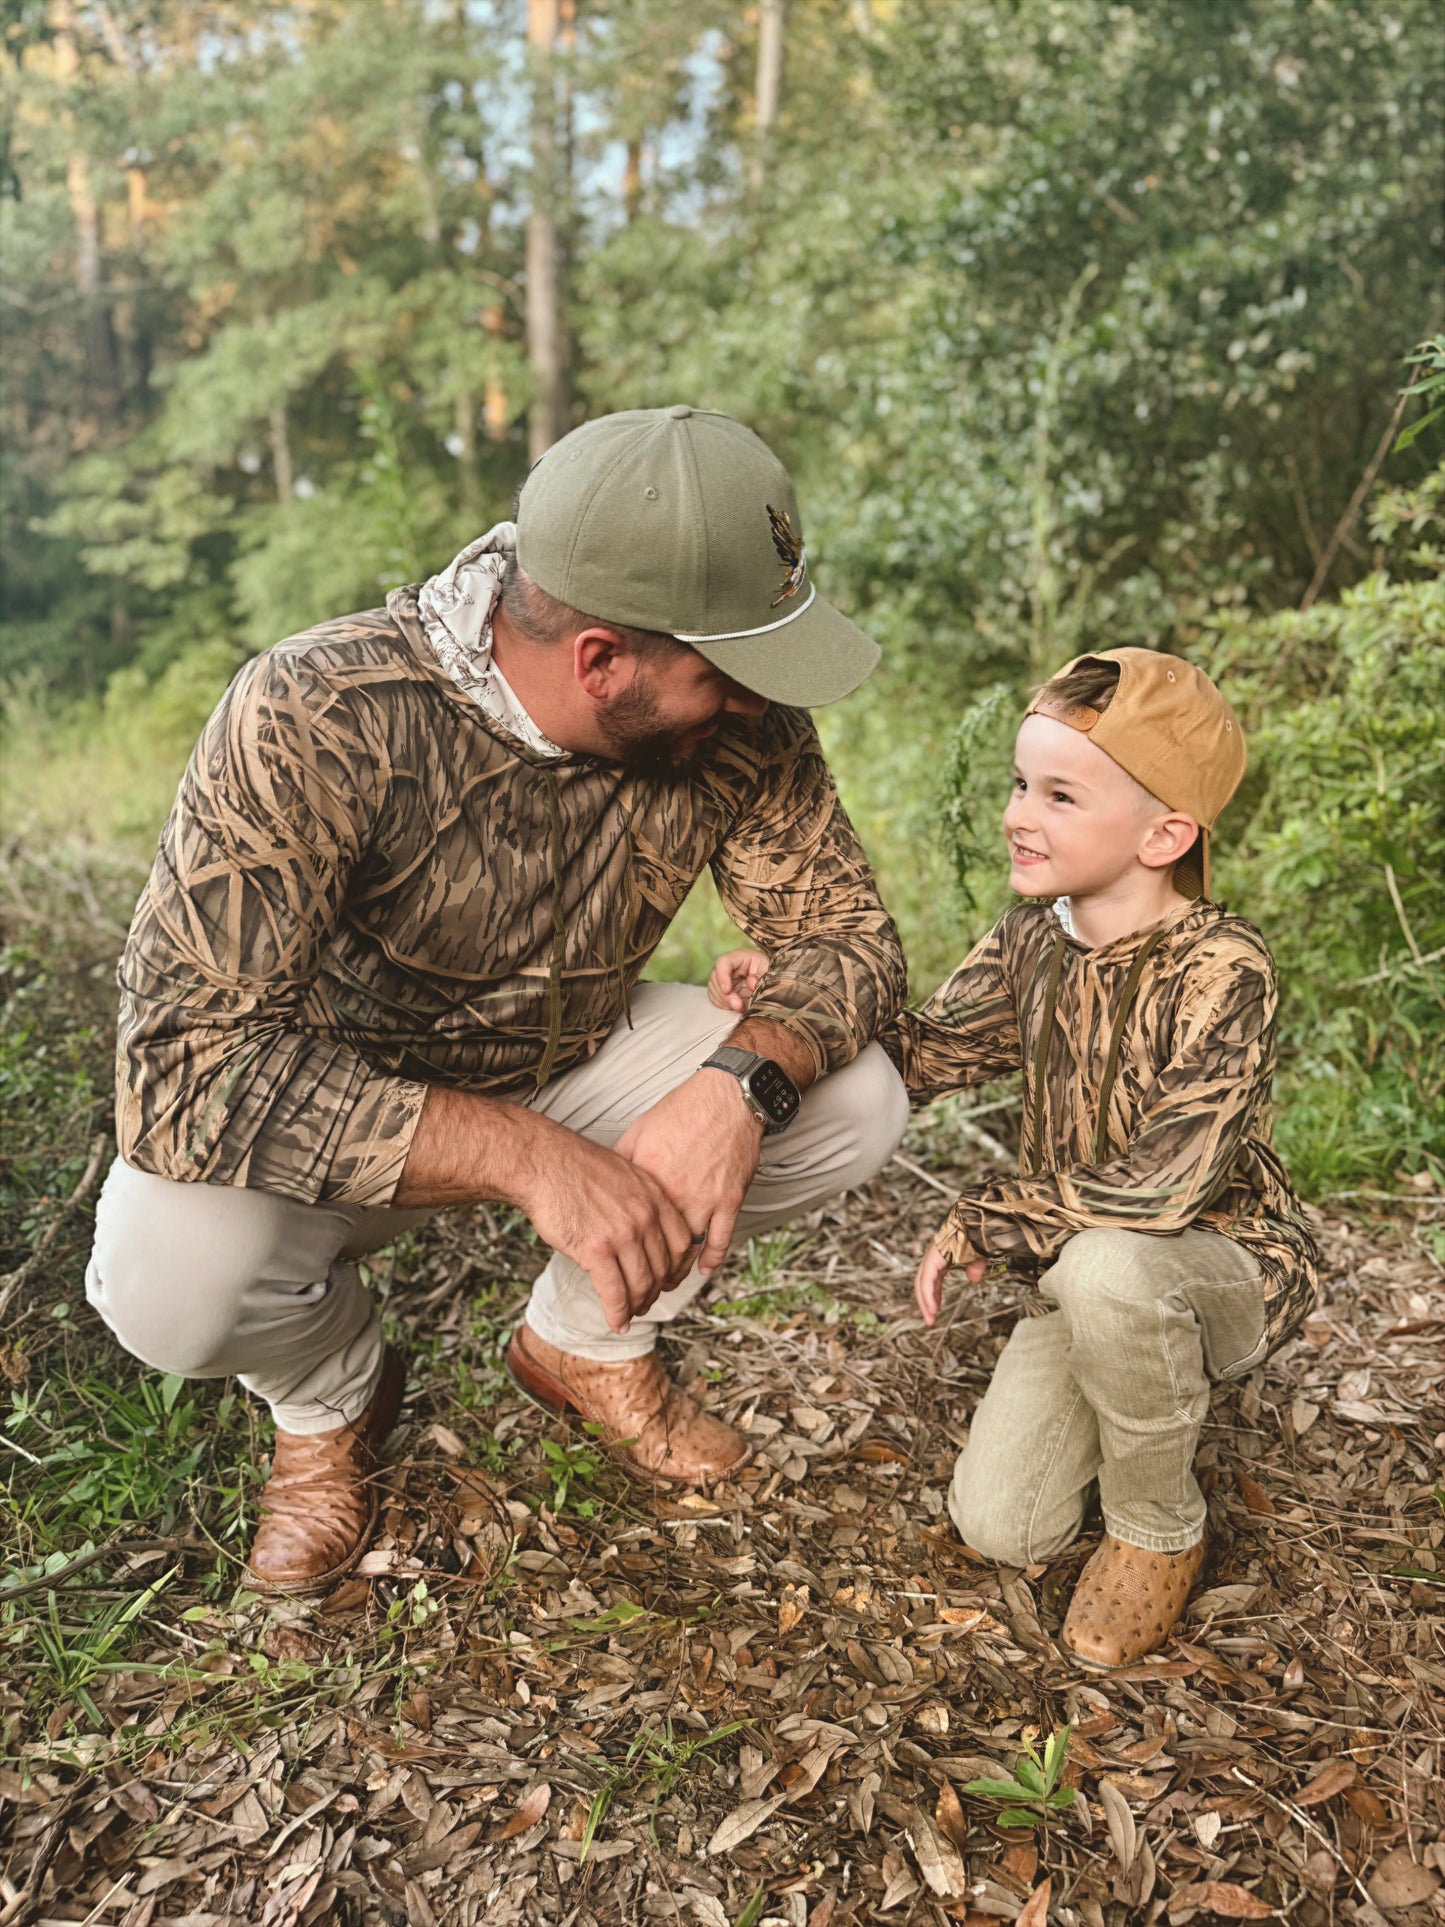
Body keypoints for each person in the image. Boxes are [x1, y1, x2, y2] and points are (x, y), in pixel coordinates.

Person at [86, 405, 910, 1596]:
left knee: (854, 1095)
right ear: (599, 661)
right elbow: (182, 1067)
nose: (752, 703)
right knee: (169, 1281)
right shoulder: (317, 711)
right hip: (335, 1114)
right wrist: (527, 1159)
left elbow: (847, 938)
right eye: (722, 671)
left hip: (572, 1055)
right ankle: (329, 1399)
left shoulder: (743, 725)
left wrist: (739, 1083)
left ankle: (583, 1341)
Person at [708, 649, 1319, 1668]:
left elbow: (1166, 1185)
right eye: (1016, 784)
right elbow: (918, 1051)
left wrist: (991, 1218)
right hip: (1080, 1269)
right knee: (1004, 1524)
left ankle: (1157, 1523)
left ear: (1163, 834)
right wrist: (794, 996)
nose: (1016, 814)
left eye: (1059, 794)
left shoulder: (1224, 967)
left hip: (1219, 1260)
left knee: (1106, 1268)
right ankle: (1138, 1376)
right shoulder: (1033, 939)